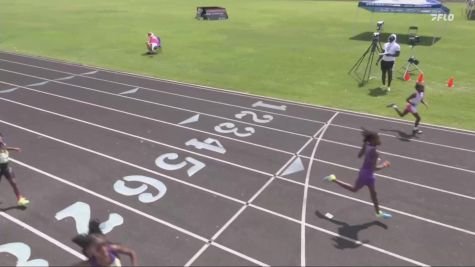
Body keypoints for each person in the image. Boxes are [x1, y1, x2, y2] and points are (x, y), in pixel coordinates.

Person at [323, 129, 392, 219]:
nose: (379, 140)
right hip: (366, 175)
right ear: (372, 140)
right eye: (377, 138)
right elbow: (374, 168)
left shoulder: (367, 145)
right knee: (354, 189)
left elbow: (359, 155)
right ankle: (333, 179)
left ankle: (378, 213)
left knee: (373, 194)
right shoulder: (375, 153)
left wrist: (364, 149)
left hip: (367, 173)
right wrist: (384, 165)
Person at [72, 220, 138, 267]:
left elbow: (131, 252)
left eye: (104, 244)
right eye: (98, 249)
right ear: (90, 253)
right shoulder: (88, 264)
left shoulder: (112, 249)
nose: (104, 250)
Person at [0, 133, 29, 206]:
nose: (0, 139)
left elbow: (5, 148)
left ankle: (20, 199)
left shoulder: (2, 144)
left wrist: (14, 149)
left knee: (14, 183)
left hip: (6, 167)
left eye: (0, 137)